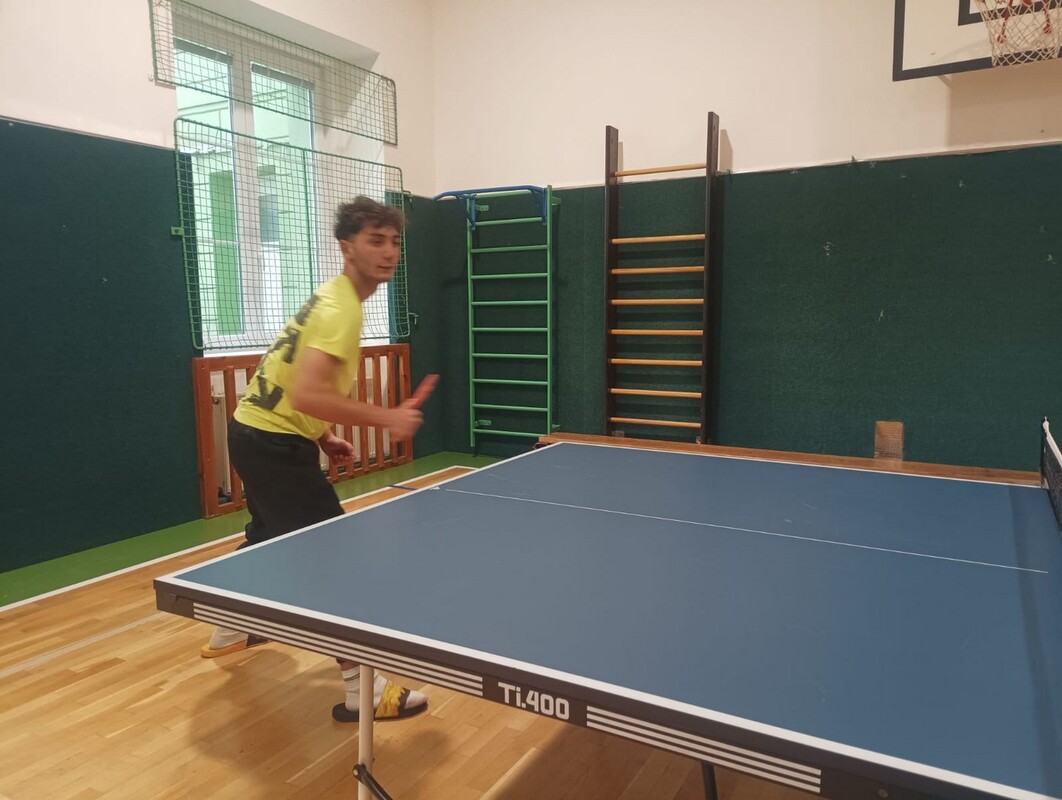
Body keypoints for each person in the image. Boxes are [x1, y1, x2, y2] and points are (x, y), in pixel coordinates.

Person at [202, 195, 430, 724]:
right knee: (335, 564)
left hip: (254, 433)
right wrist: (387, 419)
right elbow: (308, 392)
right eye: (376, 240)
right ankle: (363, 691)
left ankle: (230, 625)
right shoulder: (340, 308)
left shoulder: (333, 297)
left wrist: (322, 435)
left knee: (268, 537)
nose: (389, 252)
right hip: (273, 444)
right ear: (347, 247)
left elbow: (286, 375)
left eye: (395, 241)